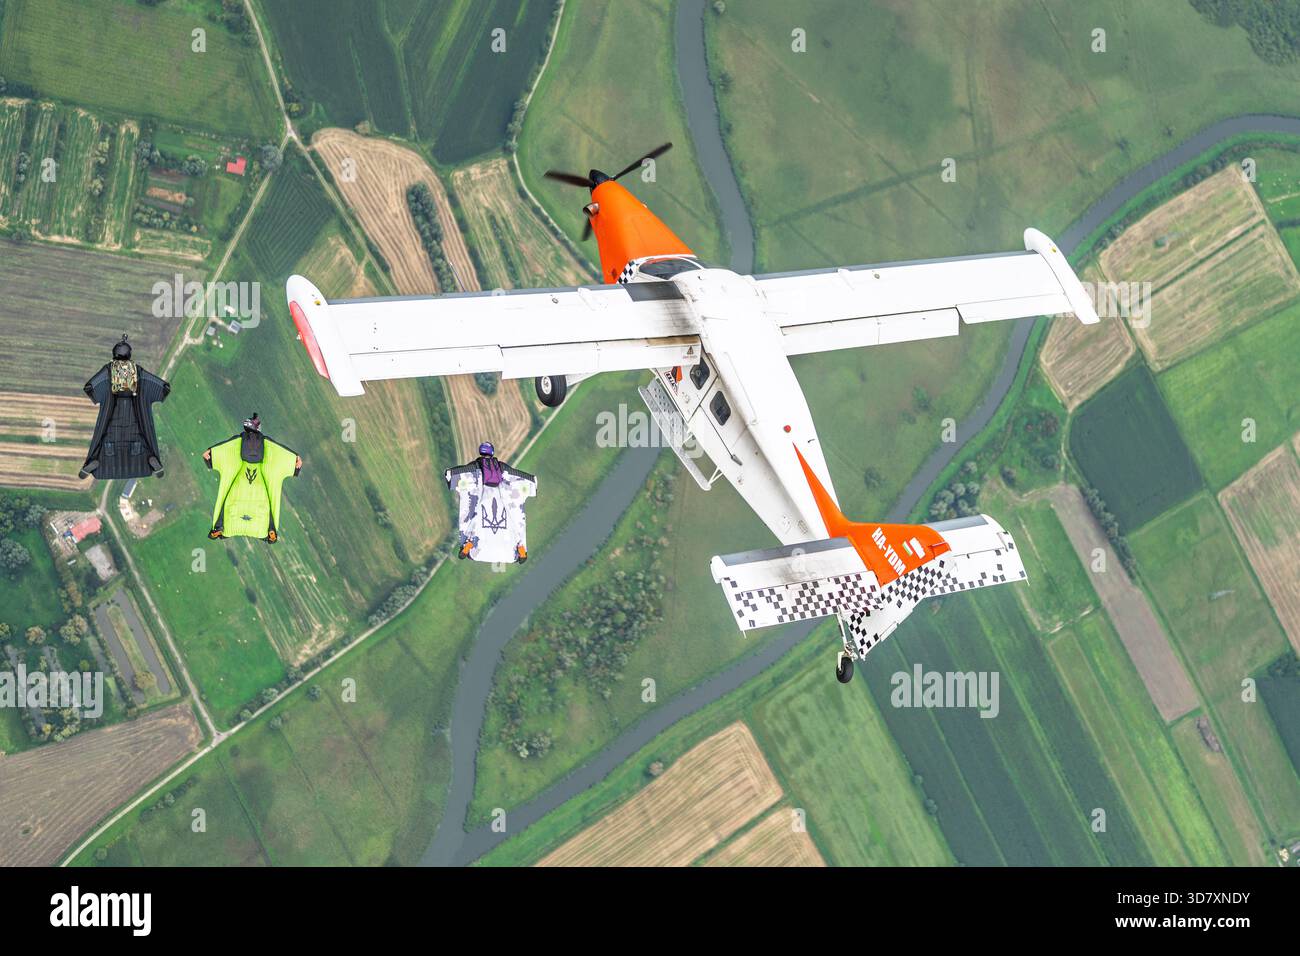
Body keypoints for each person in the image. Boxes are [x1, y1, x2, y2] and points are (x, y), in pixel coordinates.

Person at [79, 335, 169, 480]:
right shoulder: (139, 372)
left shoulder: (108, 371)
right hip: (135, 416)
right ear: (129, 354)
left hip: (112, 415)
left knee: (107, 441)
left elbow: (89, 388)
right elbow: (164, 388)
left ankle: (96, 464)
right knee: (140, 441)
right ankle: (151, 462)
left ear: (114, 354)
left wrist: (104, 392)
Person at [203, 414, 302, 542]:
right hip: (261, 514)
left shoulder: (236, 443)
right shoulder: (269, 446)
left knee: (227, 504)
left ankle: (220, 526)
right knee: (268, 506)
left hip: (234, 505)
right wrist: (296, 461)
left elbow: (206, 455)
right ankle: (269, 529)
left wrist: (213, 454)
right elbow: (297, 463)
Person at [445, 441, 537, 564]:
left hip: (476, 549)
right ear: (492, 452)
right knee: (513, 516)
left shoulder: (474, 470)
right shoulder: (504, 471)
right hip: (509, 550)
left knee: (473, 519)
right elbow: (531, 483)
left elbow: (450, 476)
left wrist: (454, 477)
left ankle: (468, 545)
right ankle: (520, 548)